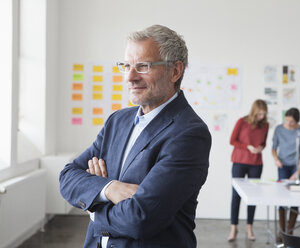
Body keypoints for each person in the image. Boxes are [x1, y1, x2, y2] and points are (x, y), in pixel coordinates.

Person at [59, 25, 212, 248]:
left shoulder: (189, 133)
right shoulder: (118, 121)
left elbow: (140, 218)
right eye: (126, 66)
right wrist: (109, 188)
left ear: (175, 71)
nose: (130, 77)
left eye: (143, 66)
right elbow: (68, 176)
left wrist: (94, 207)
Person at [228, 99, 269, 242]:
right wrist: (248, 147)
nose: (261, 117)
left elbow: (264, 142)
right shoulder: (242, 122)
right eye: (259, 114)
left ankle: (249, 227)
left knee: (253, 196)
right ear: (254, 111)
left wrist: (261, 148)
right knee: (236, 196)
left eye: (264, 114)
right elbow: (232, 141)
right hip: (239, 162)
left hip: (256, 163)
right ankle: (234, 227)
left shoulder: (265, 125)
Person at [271, 107, 300, 241]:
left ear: (296, 121)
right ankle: (282, 232)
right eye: (286, 120)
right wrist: (276, 159)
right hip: (283, 166)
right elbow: (274, 148)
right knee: (282, 198)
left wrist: (298, 172)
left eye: (291, 121)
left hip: (297, 166)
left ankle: (290, 232)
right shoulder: (279, 129)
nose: (288, 123)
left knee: (295, 199)